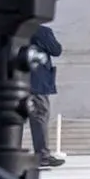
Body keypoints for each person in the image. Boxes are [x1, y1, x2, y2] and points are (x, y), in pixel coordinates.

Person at [23, 22, 65, 168]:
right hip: (36, 82)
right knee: (40, 117)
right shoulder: (41, 31)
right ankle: (43, 156)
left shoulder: (13, 30)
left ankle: (12, 154)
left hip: (16, 82)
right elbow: (56, 50)